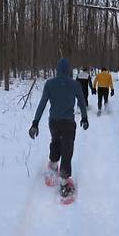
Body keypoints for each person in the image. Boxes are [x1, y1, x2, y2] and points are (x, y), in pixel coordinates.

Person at [29, 58, 89, 197]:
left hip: (54, 122)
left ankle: (53, 166)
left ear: (57, 70)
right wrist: (84, 118)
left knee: (56, 141)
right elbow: (81, 102)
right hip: (68, 123)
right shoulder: (75, 84)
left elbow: (42, 104)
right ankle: (63, 182)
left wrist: (35, 123)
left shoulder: (50, 84)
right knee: (67, 149)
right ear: (69, 70)